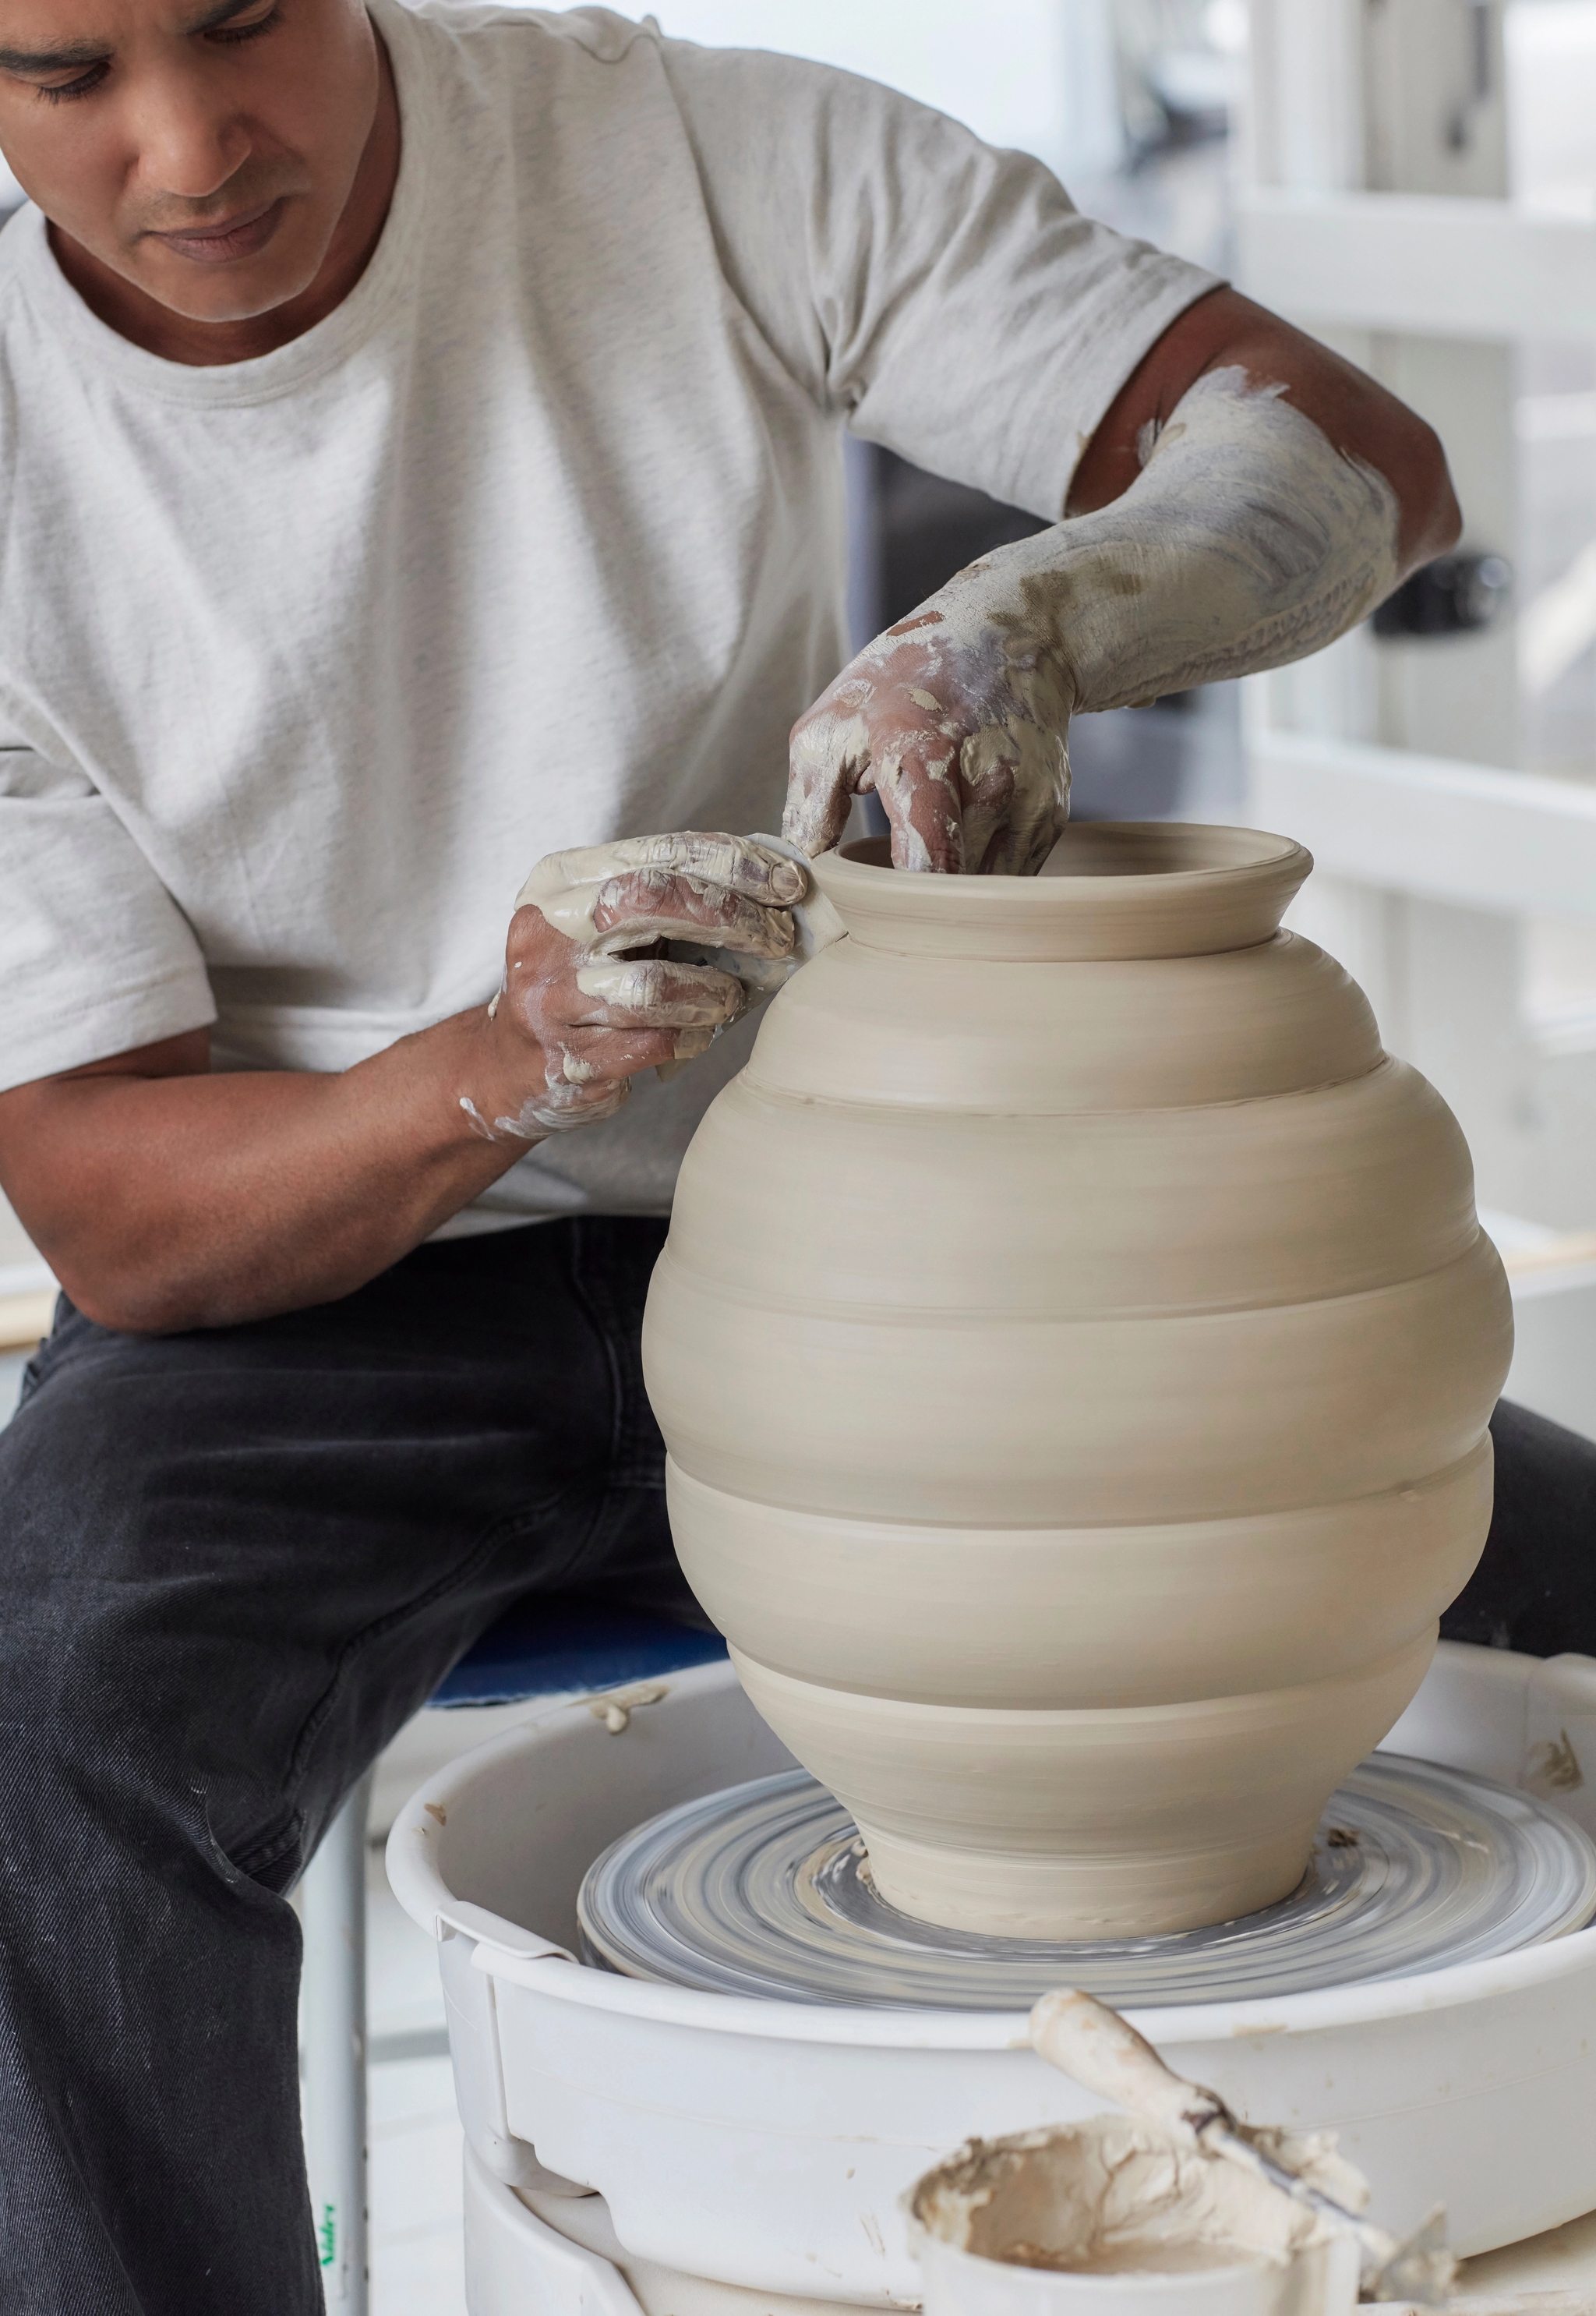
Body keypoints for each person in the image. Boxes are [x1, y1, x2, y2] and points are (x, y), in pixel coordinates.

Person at [0, 1, 1586, 2307]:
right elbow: (109, 1202)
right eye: (65, 70)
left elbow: (1358, 457)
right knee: (38, 1737)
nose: (187, 143)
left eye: (246, 20)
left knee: (1541, 1575)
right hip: (317, 1299)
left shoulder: (690, 147)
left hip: (882, 1260)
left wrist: (1039, 617)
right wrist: (499, 1059)